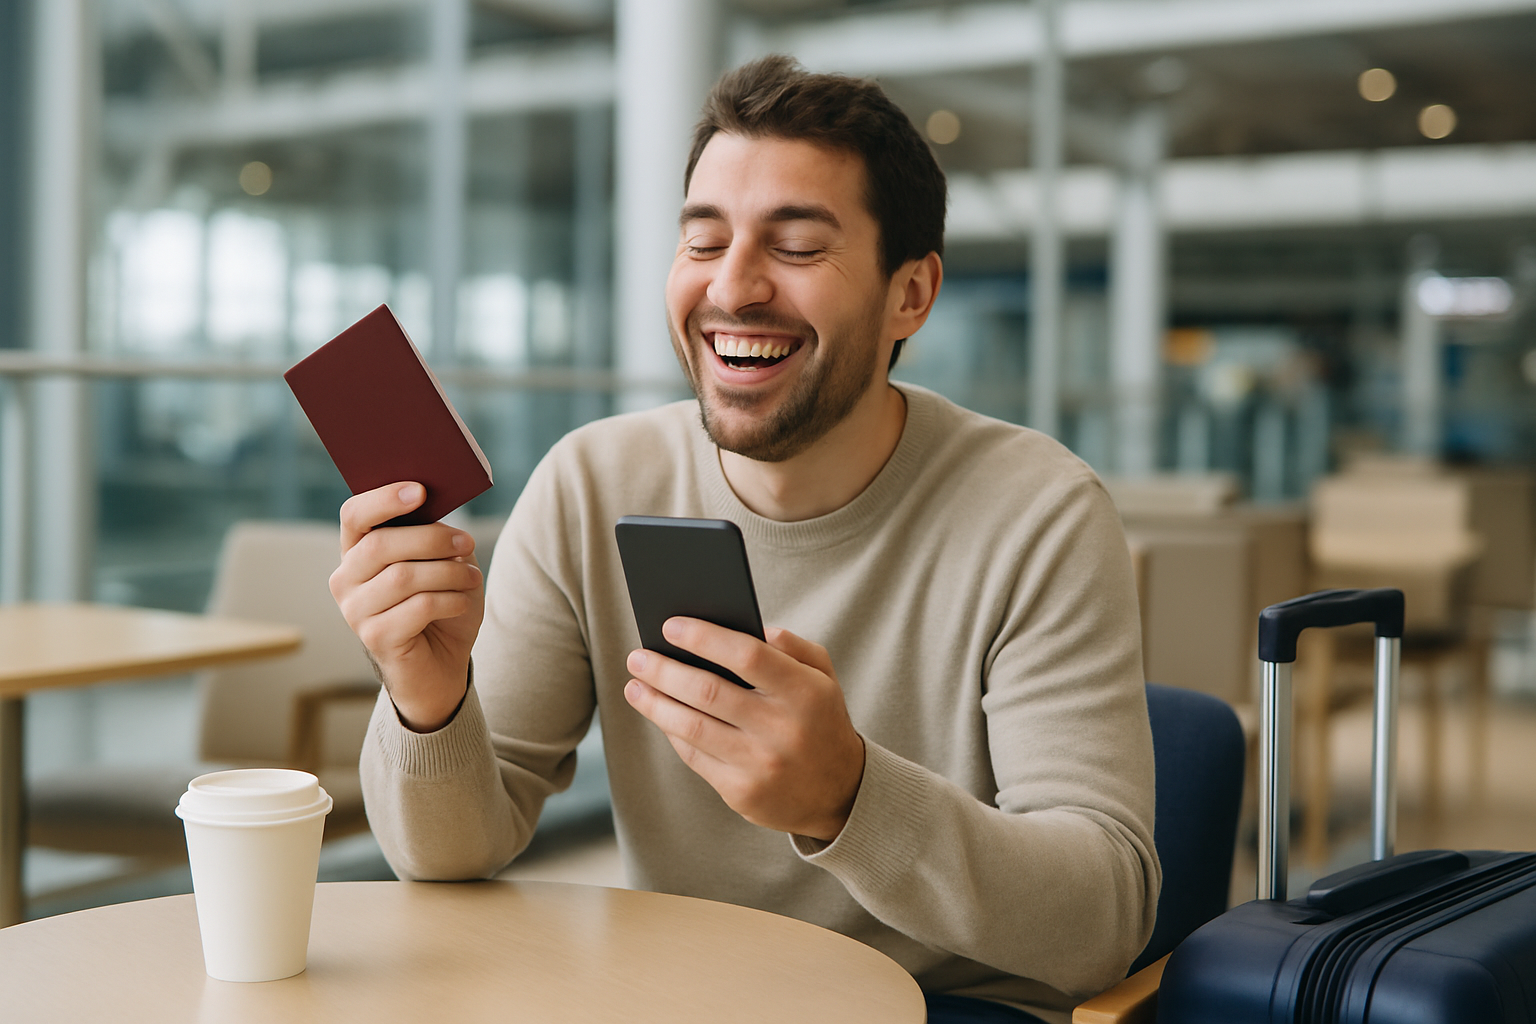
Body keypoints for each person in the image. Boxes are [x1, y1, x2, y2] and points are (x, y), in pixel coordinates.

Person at [332, 55, 1158, 1024]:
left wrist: (848, 796)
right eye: (703, 240)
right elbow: (451, 855)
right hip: (685, 1000)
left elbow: (1104, 917)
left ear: (911, 293)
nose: (733, 285)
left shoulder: (1040, 511)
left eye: (797, 246)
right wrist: (428, 703)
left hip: (948, 1007)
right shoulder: (591, 480)